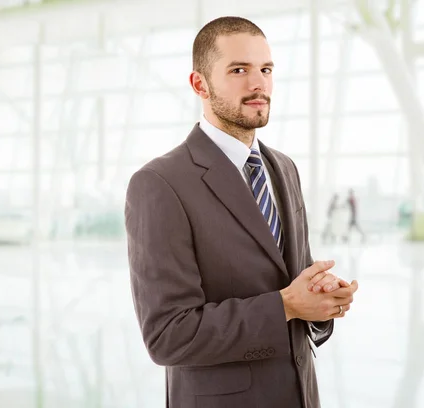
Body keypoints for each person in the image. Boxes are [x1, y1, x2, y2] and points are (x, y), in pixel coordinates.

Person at [124, 16, 359, 408]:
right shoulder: (160, 184)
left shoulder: (283, 168)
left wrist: (319, 300)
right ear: (199, 84)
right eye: (239, 70)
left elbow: (288, 277)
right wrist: (285, 305)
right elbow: (167, 335)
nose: (259, 84)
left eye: (266, 70)